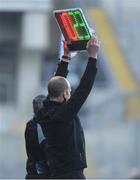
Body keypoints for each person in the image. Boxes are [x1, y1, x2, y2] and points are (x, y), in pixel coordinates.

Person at [38, 35, 100, 179]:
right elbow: (84, 88)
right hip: (71, 175)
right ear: (65, 94)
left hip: (58, 173)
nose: (71, 95)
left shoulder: (44, 110)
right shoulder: (63, 115)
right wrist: (93, 57)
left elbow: (56, 84)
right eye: (69, 92)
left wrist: (66, 57)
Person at [24, 40, 72, 179]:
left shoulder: (30, 125)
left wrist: (65, 60)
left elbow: (56, 84)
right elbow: (47, 150)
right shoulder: (42, 127)